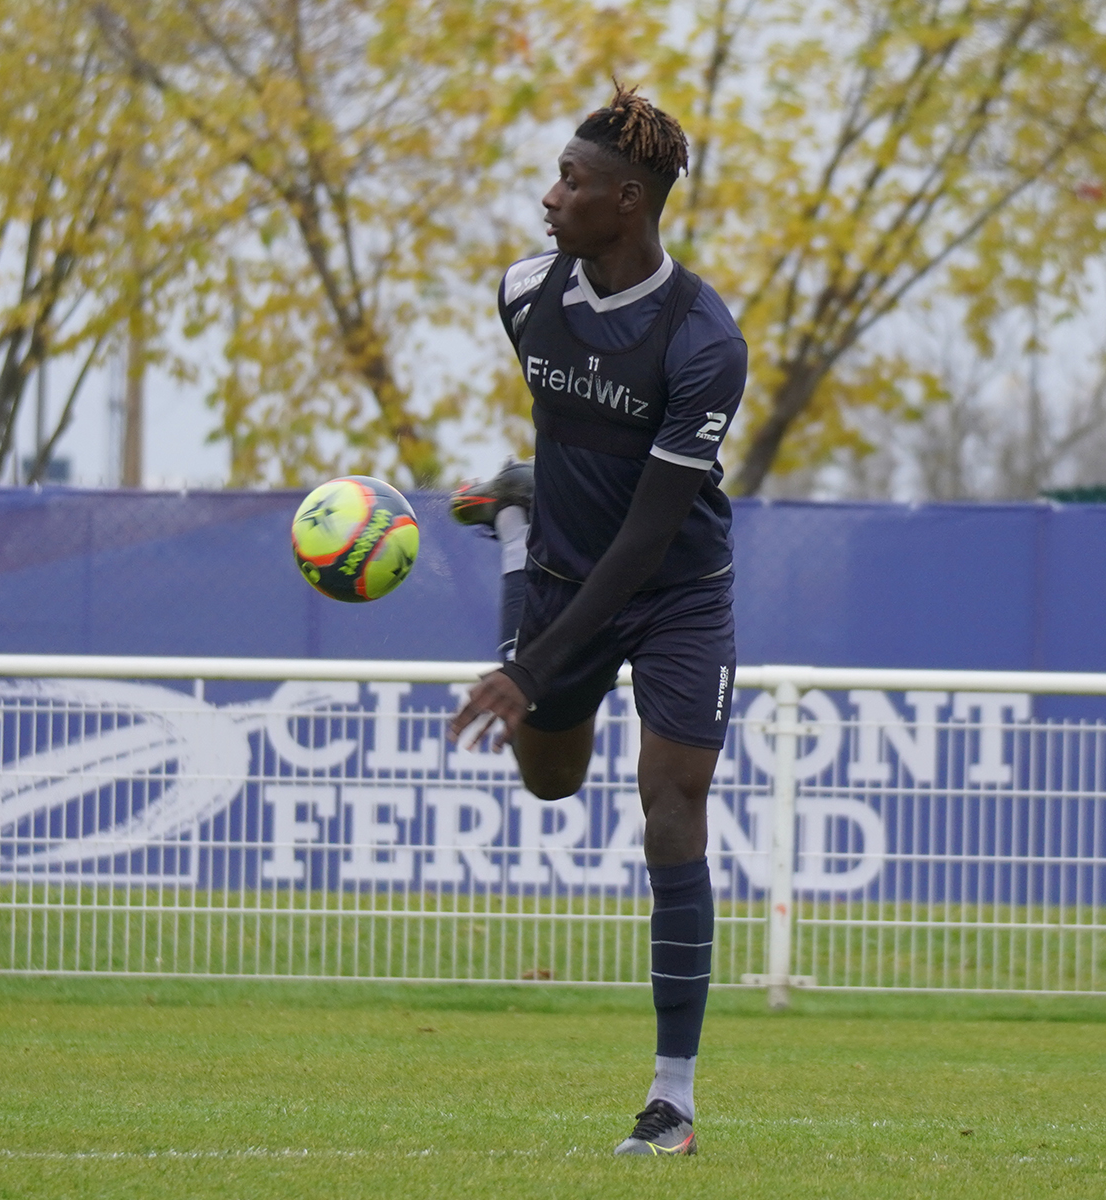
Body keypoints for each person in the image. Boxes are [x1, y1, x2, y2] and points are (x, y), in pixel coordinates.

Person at [447, 83, 747, 1157]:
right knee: (549, 779)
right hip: (569, 575)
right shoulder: (526, 293)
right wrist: (542, 513)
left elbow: (646, 538)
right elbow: (589, 470)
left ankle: (671, 1104)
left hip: (673, 589)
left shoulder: (704, 343)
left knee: (672, 799)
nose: (548, 195)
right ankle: (520, 529)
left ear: (627, 200)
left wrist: (524, 670)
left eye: (570, 182)